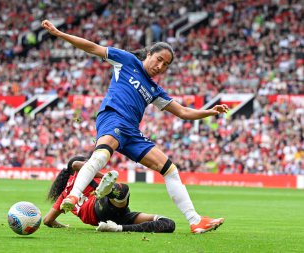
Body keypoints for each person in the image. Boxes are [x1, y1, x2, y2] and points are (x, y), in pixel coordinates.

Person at [41, 20, 228, 234]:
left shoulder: (155, 89)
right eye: (158, 60)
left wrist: (210, 111)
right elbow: (92, 47)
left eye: (165, 65)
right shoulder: (127, 61)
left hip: (132, 132)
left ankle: (195, 221)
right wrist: (59, 33)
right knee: (102, 154)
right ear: (148, 54)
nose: (160, 67)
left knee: (169, 169)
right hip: (113, 116)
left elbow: (184, 112)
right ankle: (74, 195)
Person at [44, 156, 176, 233]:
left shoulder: (64, 196)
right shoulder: (81, 174)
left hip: (112, 216)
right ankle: (110, 190)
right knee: (122, 189)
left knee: (168, 224)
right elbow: (76, 164)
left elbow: (48, 220)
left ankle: (118, 228)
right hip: (98, 206)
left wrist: (64, 226)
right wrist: (105, 176)